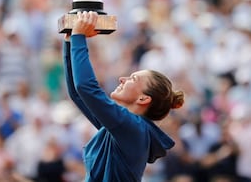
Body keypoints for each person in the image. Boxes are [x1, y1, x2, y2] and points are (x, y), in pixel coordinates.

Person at [63, 11, 185, 181]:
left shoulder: (133, 127)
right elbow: (78, 94)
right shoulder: (122, 126)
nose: (122, 78)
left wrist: (78, 37)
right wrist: (70, 42)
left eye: (132, 78)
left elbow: (86, 88)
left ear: (143, 99)